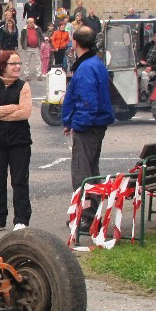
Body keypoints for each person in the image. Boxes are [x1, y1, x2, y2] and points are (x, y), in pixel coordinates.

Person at [62, 26, 116, 231]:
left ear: (75, 43)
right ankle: (92, 213)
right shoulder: (96, 62)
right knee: (91, 172)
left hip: (88, 128)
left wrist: (76, 124)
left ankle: (88, 217)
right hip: (96, 125)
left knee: (82, 175)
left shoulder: (86, 67)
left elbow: (87, 102)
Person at [0, 50, 33, 233]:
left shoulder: (24, 86)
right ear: (3, 66)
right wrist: (12, 108)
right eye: (13, 64)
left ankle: (21, 219)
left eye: (19, 63)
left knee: (20, 181)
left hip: (20, 142)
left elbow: (25, 112)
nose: (17, 67)